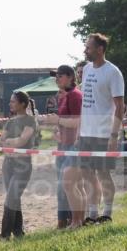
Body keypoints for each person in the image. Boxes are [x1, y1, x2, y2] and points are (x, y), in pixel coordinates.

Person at [62, 34, 124, 227]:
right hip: (87, 133)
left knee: (104, 173)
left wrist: (114, 135)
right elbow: (86, 105)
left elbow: (120, 106)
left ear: (100, 49)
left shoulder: (113, 72)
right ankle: (93, 213)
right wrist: (80, 132)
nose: (85, 51)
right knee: (88, 173)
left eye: (89, 47)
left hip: (104, 132)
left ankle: (107, 212)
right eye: (85, 47)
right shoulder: (87, 70)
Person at [40, 65, 82, 229]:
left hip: (73, 146)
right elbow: (65, 121)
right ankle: (67, 221)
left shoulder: (75, 95)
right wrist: (58, 129)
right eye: (55, 76)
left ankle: (72, 221)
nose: (56, 79)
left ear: (70, 77)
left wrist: (57, 121)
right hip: (64, 145)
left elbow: (79, 121)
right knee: (65, 185)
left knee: (66, 185)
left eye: (59, 76)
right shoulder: (64, 96)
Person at [0, 91, 37, 239]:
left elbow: (22, 141)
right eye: (10, 101)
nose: (10, 104)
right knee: (14, 198)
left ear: (22, 104)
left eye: (13, 101)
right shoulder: (10, 122)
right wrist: (10, 144)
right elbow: (0, 143)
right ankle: (18, 232)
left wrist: (9, 142)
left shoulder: (30, 121)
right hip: (8, 164)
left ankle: (4, 235)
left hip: (23, 165)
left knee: (11, 198)